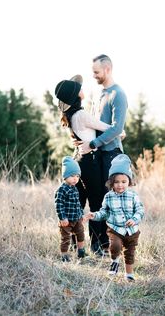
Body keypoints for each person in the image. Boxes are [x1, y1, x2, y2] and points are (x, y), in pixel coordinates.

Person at [55, 75, 111, 255]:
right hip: (89, 162)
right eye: (78, 88)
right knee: (97, 202)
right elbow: (109, 129)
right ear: (75, 95)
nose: (82, 88)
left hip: (79, 160)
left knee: (78, 203)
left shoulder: (72, 115)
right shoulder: (81, 115)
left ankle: (73, 242)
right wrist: (122, 132)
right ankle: (97, 245)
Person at [78, 54, 128, 252]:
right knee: (97, 200)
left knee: (111, 201)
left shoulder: (118, 94)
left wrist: (93, 143)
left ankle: (111, 246)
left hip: (111, 157)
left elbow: (117, 128)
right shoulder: (99, 94)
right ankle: (96, 245)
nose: (94, 75)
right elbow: (96, 124)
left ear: (107, 69)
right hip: (98, 155)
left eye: (96, 72)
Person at [85, 154, 144, 281]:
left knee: (130, 253)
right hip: (115, 228)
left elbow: (140, 210)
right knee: (115, 246)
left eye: (124, 182)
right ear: (111, 182)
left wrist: (134, 219)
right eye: (116, 182)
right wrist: (94, 215)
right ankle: (115, 261)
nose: (120, 185)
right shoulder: (109, 197)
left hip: (132, 231)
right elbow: (104, 213)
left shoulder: (133, 196)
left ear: (129, 181)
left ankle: (129, 274)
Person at [54, 156, 86, 262]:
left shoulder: (75, 188)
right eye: (72, 176)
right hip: (66, 220)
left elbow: (78, 203)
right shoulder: (62, 189)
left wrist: (81, 214)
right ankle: (65, 255)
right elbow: (59, 205)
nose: (75, 179)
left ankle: (81, 251)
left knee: (81, 234)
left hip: (76, 219)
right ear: (65, 176)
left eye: (77, 176)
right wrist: (62, 218)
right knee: (65, 238)